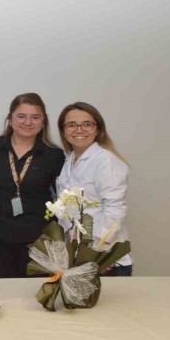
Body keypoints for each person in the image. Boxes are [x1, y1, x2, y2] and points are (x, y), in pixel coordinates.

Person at [0, 93, 65, 278]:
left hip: (40, 241)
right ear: (10, 119)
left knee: (34, 292)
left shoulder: (54, 155)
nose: (28, 122)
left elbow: (63, 200)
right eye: (21, 116)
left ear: (43, 121)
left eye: (35, 117)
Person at [56, 102, 132, 276]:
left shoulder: (105, 160)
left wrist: (98, 254)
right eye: (72, 125)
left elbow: (115, 210)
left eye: (87, 124)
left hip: (104, 260)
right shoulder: (69, 161)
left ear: (97, 129)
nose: (79, 130)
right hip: (78, 257)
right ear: (64, 131)